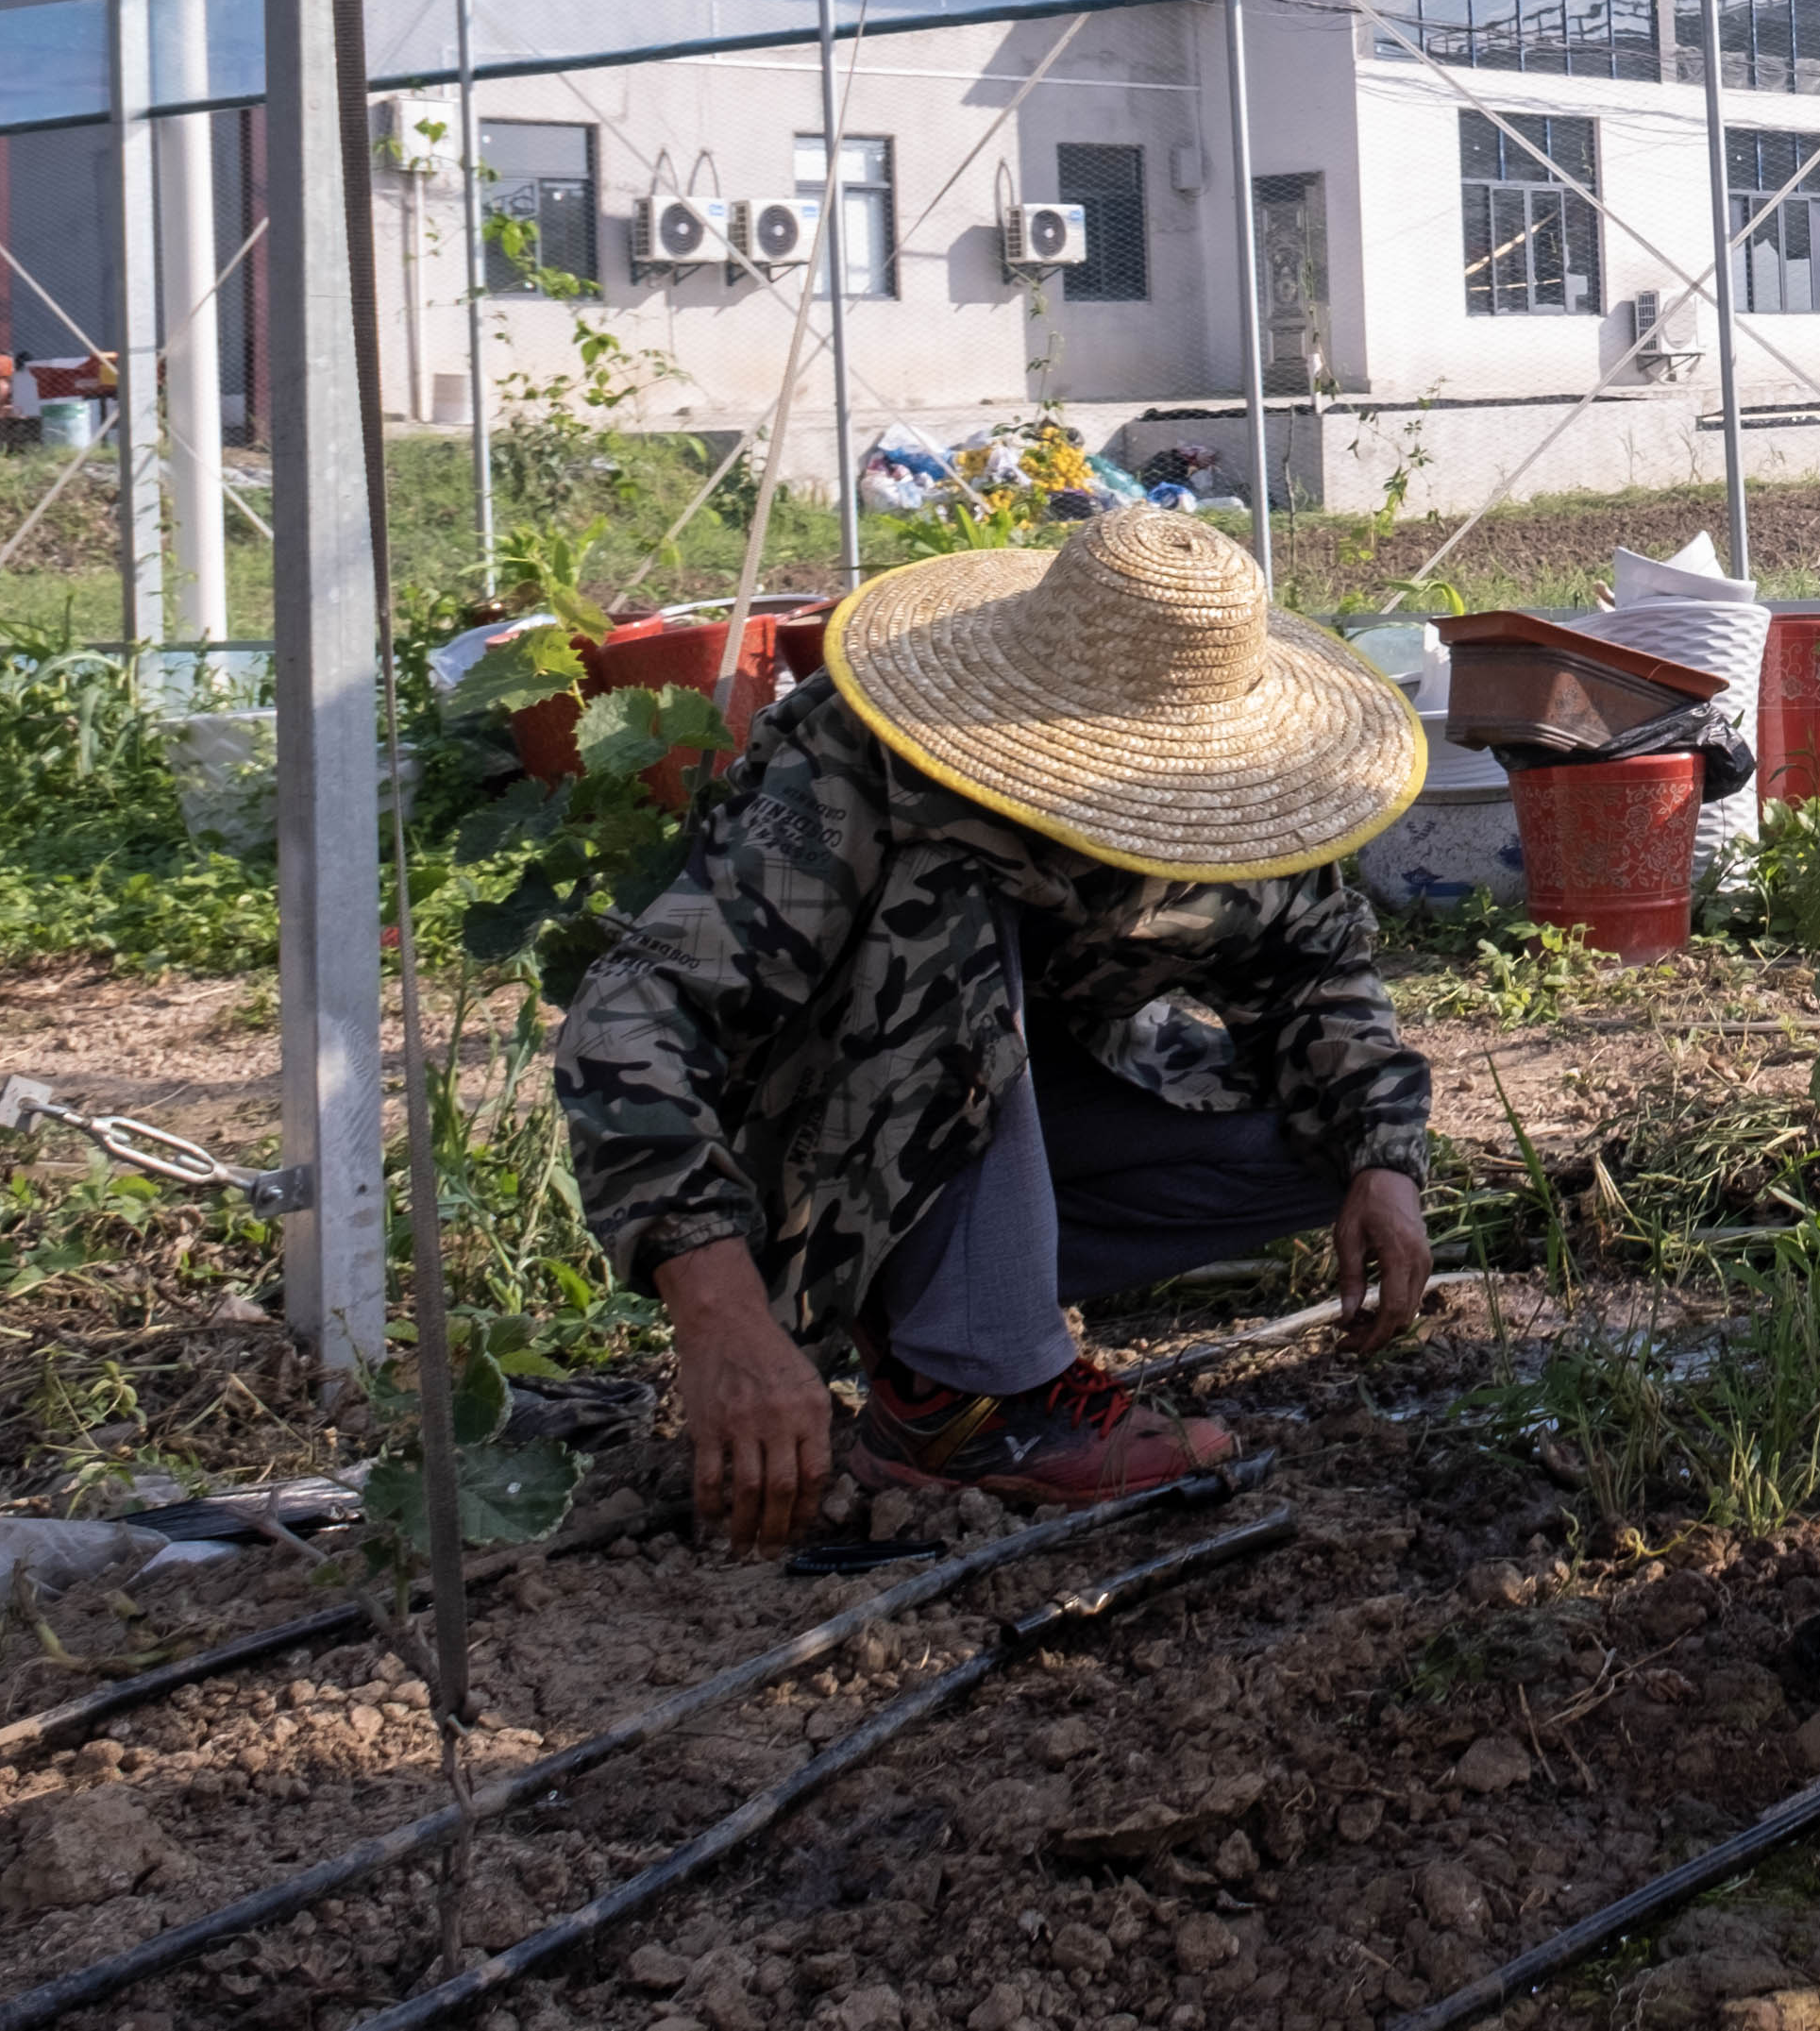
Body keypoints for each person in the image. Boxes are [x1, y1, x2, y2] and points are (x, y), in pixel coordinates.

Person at [559, 506, 1442, 1544]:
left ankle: (931, 1304)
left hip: (1012, 1113)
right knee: (955, 930)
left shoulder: (1246, 793)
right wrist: (716, 1306)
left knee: (1321, 1143)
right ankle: (974, 1397)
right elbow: (632, 1009)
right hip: (813, 1135)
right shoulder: (860, 765)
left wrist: (1386, 1158)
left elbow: (1316, 965)